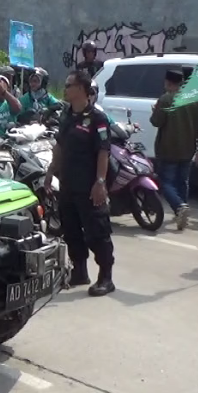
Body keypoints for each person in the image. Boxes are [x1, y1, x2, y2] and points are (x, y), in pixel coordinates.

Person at [44, 70, 116, 296]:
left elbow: (103, 152)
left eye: (69, 85)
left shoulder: (98, 119)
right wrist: (50, 171)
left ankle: (106, 277)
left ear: (82, 90)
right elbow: (60, 145)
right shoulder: (67, 115)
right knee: (71, 230)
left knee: (97, 232)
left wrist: (100, 182)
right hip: (68, 184)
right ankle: (80, 271)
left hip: (89, 186)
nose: (65, 89)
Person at [149, 68, 198, 230]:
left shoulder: (166, 99)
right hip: (188, 149)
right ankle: (181, 211)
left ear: (168, 82)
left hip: (168, 149)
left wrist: (155, 111)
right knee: (183, 182)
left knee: (166, 182)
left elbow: (156, 122)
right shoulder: (196, 100)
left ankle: (179, 207)